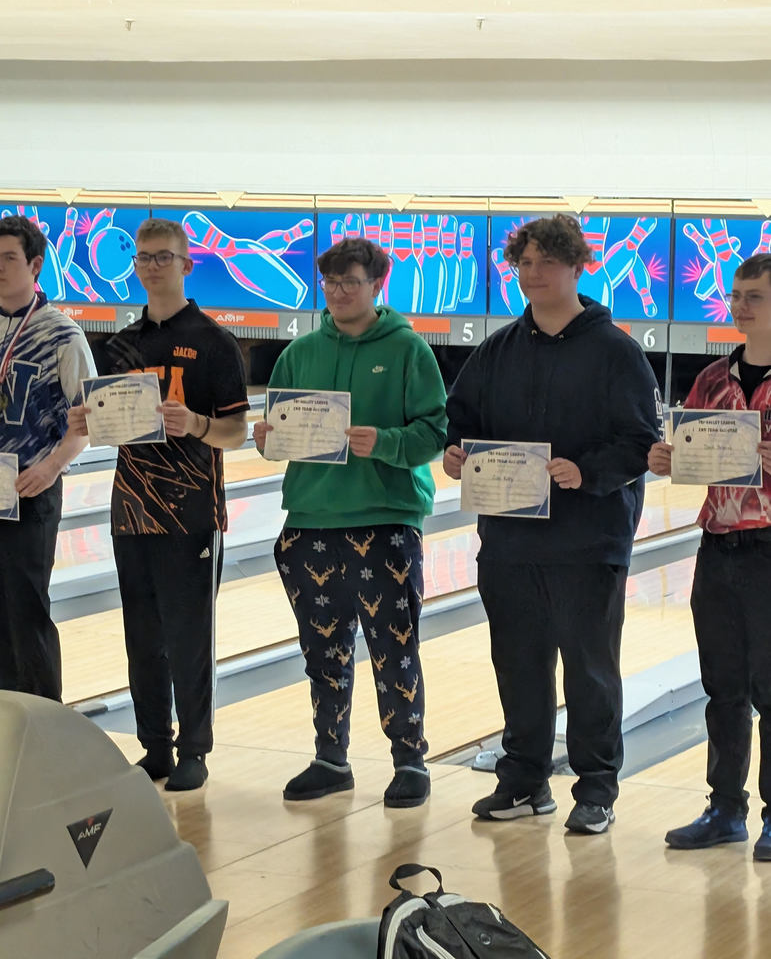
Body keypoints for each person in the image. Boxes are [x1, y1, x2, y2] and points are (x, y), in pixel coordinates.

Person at [444, 214, 661, 834]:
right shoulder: (498, 349)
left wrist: (584, 472)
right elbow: (460, 418)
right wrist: (456, 452)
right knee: (517, 663)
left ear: (576, 267)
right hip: (509, 539)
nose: (532, 275)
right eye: (524, 264)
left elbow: (639, 441)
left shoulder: (616, 351)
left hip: (588, 541)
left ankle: (595, 789)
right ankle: (524, 781)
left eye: (545, 263)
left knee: (590, 670)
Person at [253, 237, 447, 808]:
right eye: (331, 283)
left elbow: (435, 432)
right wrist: (269, 440)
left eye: (351, 283)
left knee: (395, 646)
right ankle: (329, 758)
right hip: (310, 519)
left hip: (384, 520)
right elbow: (280, 432)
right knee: (322, 650)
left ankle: (410, 761)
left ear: (376, 285)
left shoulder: (410, 350)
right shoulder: (300, 352)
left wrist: (384, 441)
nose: (338, 293)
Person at [69, 218, 249, 791]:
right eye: (144, 257)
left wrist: (197, 423)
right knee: (142, 634)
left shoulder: (215, 341)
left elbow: (237, 432)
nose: (151, 265)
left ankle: (195, 749)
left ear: (185, 264)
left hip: (192, 512)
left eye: (163, 257)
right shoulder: (121, 343)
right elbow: (108, 426)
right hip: (131, 510)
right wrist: (86, 421)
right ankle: (156, 747)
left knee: (189, 635)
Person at [649, 252, 771, 861]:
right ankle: (725, 808)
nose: (740, 306)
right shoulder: (712, 379)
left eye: (754, 296)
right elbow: (688, 448)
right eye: (737, 295)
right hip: (718, 546)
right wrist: (667, 459)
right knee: (722, 686)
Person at [0, 214, 95, 701]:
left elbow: (88, 421)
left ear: (35, 264)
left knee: (25, 609)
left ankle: (43, 724)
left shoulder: (63, 334)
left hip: (31, 490)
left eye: (9, 258)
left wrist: (50, 467)